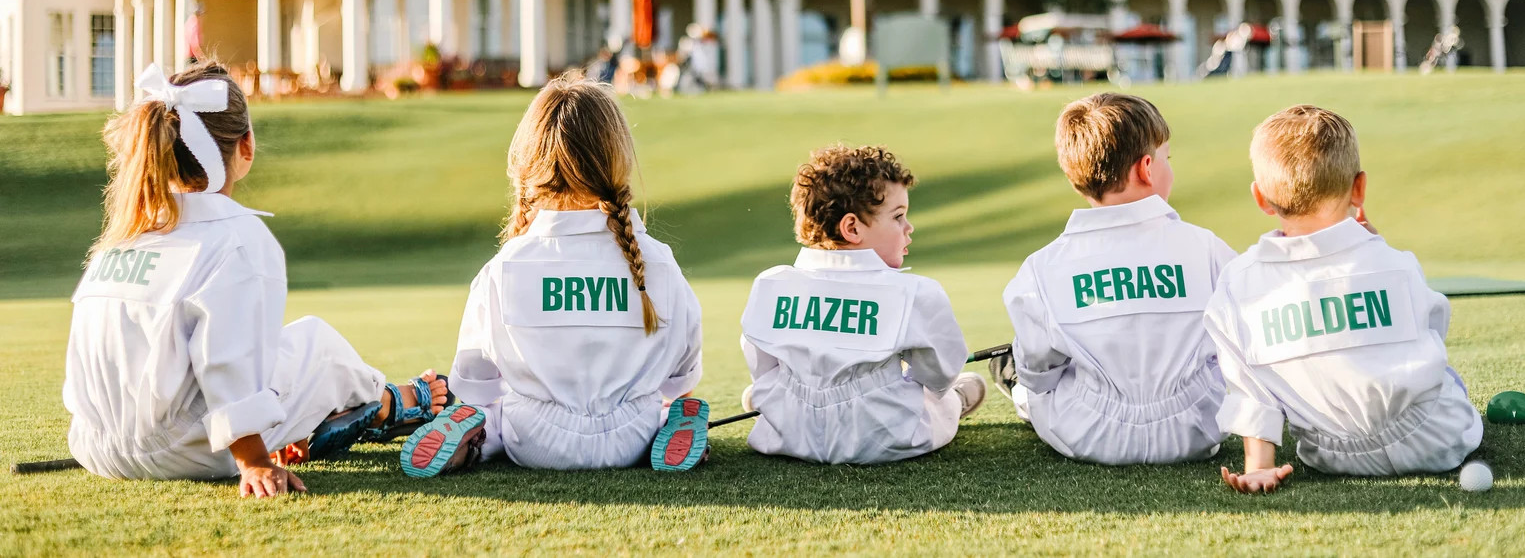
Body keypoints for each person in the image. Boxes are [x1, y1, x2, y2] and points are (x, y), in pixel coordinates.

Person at [64, 60, 452, 497]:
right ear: (245, 145)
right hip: (191, 450)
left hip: (96, 447)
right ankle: (387, 404)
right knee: (317, 344)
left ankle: (323, 419)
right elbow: (225, 358)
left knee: (282, 355)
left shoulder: (124, 235)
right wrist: (254, 461)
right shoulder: (236, 238)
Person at [400, 72, 704, 476]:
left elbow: (475, 381)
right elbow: (682, 373)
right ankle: (670, 423)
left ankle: (478, 437)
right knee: (664, 406)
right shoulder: (658, 261)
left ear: (530, 162)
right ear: (617, 158)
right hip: (632, 438)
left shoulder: (505, 266)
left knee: (490, 411)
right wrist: (672, 397)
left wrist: (480, 406)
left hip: (534, 440)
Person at [1205, 105, 1482, 493]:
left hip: (1331, 455)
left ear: (1261, 198)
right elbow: (1433, 331)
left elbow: (1249, 389)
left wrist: (1258, 466)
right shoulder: (1397, 263)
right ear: (1359, 188)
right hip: (1436, 440)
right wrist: (1374, 245)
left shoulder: (1238, 282)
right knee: (1444, 372)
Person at [994, 92, 1235, 464]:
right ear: (1147, 168)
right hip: (1197, 429)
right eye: (1168, 159)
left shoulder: (1042, 267)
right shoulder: (1207, 249)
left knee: (1033, 384)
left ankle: (1016, 394)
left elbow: (1039, 373)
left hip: (1088, 435)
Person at [738, 145, 985, 464]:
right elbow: (940, 374)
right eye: (898, 217)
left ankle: (773, 407)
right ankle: (957, 402)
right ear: (852, 228)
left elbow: (761, 362)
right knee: (938, 398)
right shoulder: (915, 292)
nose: (909, 228)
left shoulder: (771, 282)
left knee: (777, 389)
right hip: (883, 436)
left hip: (789, 434)